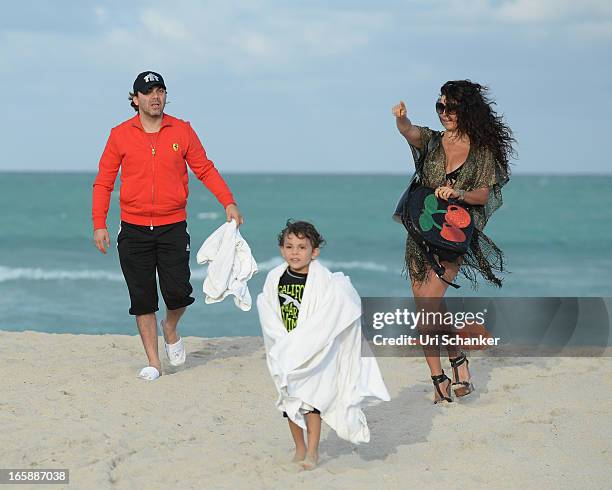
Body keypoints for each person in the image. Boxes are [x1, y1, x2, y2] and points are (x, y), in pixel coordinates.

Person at [92, 71, 243, 381]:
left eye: (160, 90)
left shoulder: (182, 130)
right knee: (142, 298)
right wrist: (99, 223)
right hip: (133, 229)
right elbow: (104, 181)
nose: (155, 96)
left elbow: (204, 168)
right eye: (148, 92)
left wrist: (228, 201)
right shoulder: (119, 134)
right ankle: (154, 362)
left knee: (178, 293)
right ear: (135, 99)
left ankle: (170, 326)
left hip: (172, 225)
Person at [392, 80, 514, 403]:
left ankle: (448, 369)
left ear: (465, 110)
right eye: (440, 106)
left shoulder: (481, 152)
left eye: (450, 108)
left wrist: (458, 193)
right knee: (428, 309)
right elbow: (409, 132)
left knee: (428, 308)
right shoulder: (432, 141)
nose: (444, 113)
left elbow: (483, 194)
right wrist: (401, 119)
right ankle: (446, 368)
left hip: (453, 236)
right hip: (420, 232)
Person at [257, 220, 389, 470]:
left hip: (314, 350)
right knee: (289, 401)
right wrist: (284, 343)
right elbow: (267, 307)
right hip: (286, 348)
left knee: (311, 401)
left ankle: (313, 452)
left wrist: (309, 339)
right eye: (289, 246)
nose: (295, 252)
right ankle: (299, 448)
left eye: (302, 247)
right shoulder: (275, 278)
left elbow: (337, 310)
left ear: (314, 252)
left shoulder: (325, 281)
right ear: (281, 249)